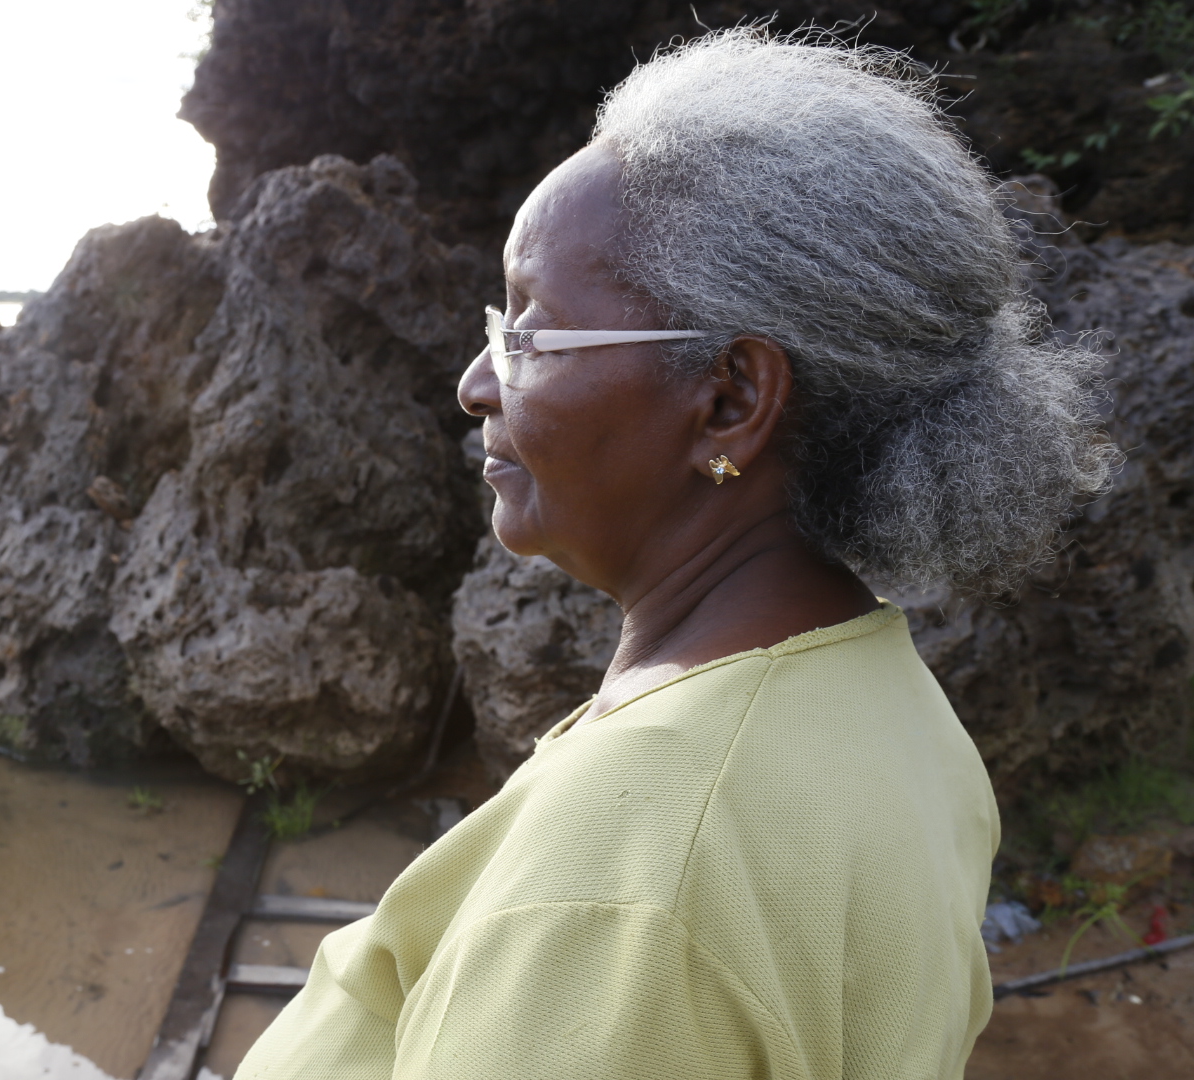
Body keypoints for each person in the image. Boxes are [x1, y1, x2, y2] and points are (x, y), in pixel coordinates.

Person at [234, 27, 1115, 1080]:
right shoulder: (896, 712)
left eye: (532, 334)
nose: (476, 384)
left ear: (730, 400)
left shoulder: (630, 881)